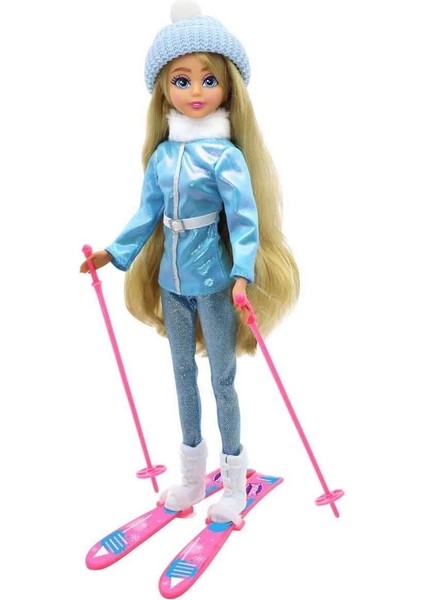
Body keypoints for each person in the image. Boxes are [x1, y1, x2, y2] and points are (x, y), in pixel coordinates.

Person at [80, 0, 299, 526]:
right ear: (164, 89)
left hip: (216, 279)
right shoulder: (163, 155)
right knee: (182, 375)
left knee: (222, 380)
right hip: (171, 279)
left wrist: (242, 275)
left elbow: (244, 220)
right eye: (182, 80)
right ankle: (192, 476)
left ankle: (233, 482)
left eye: (208, 79)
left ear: (228, 88)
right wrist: (115, 253)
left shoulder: (225, 156)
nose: (196, 91)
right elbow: (147, 213)